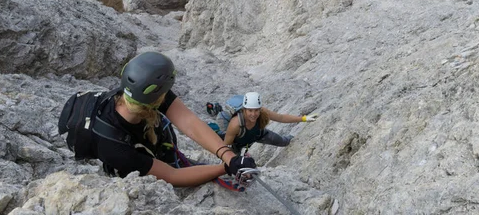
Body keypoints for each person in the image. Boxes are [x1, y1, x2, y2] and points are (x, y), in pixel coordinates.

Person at [94, 51, 256, 187]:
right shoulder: (117, 149)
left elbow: (189, 122)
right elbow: (173, 176)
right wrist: (226, 168)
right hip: (120, 154)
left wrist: (230, 158)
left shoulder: (140, 93)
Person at [223, 92, 318, 155]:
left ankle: (289, 138)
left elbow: (281, 117)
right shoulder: (235, 124)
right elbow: (227, 145)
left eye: (256, 110)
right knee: (236, 167)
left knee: (284, 142)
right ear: (244, 110)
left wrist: (304, 118)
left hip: (258, 134)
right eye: (250, 111)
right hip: (237, 145)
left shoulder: (263, 112)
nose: (253, 114)